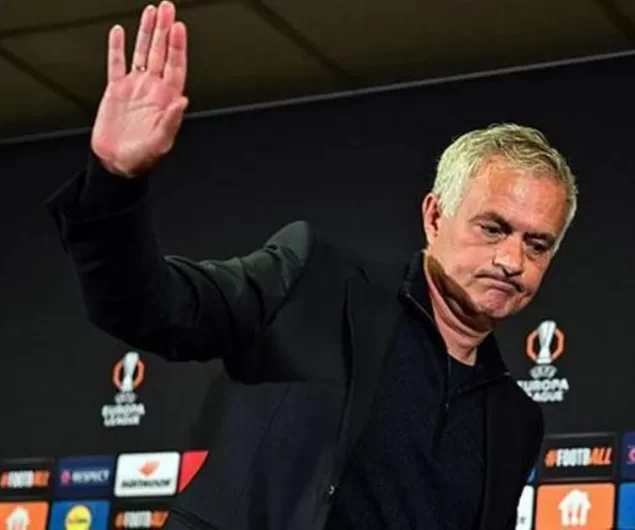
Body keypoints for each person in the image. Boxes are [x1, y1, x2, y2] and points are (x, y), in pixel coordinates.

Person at [45, 2, 578, 529]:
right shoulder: (314, 286)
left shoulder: (516, 421)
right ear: (435, 217)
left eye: (537, 244)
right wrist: (114, 179)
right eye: (493, 228)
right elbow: (151, 306)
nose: (512, 260)